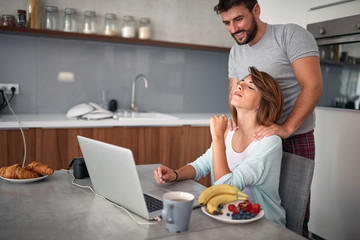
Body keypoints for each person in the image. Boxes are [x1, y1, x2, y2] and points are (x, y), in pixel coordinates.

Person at [213, 0, 323, 236]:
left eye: (239, 19)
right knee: (248, 205)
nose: (233, 28)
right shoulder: (236, 51)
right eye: (227, 23)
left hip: (294, 136)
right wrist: (235, 127)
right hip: (253, 138)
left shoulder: (290, 35)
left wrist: (285, 128)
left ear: (256, 10)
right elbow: (234, 91)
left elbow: (312, 86)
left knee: (295, 215)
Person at [154, 66, 286, 226]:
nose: (239, 85)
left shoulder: (269, 142)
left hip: (262, 225)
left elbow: (224, 187)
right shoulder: (230, 130)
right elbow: (203, 164)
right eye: (242, 81)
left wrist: (217, 137)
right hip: (226, 216)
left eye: (250, 87)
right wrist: (174, 174)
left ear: (262, 103)